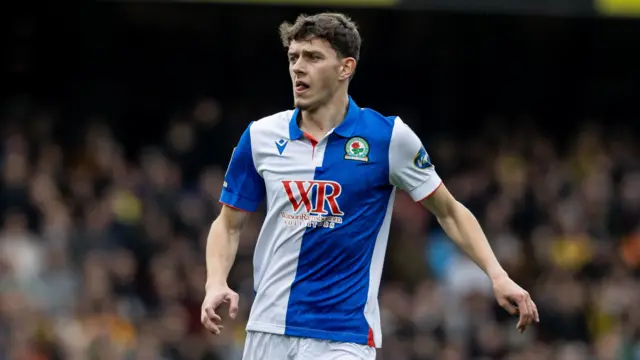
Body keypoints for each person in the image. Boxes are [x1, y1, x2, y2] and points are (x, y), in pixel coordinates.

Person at [201, 12, 539, 360]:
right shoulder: (260, 137)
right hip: (268, 327)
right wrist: (215, 282)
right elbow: (228, 224)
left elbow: (449, 211)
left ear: (346, 68)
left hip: (344, 335)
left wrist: (497, 275)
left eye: (313, 57)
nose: (298, 67)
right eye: (293, 57)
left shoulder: (388, 138)